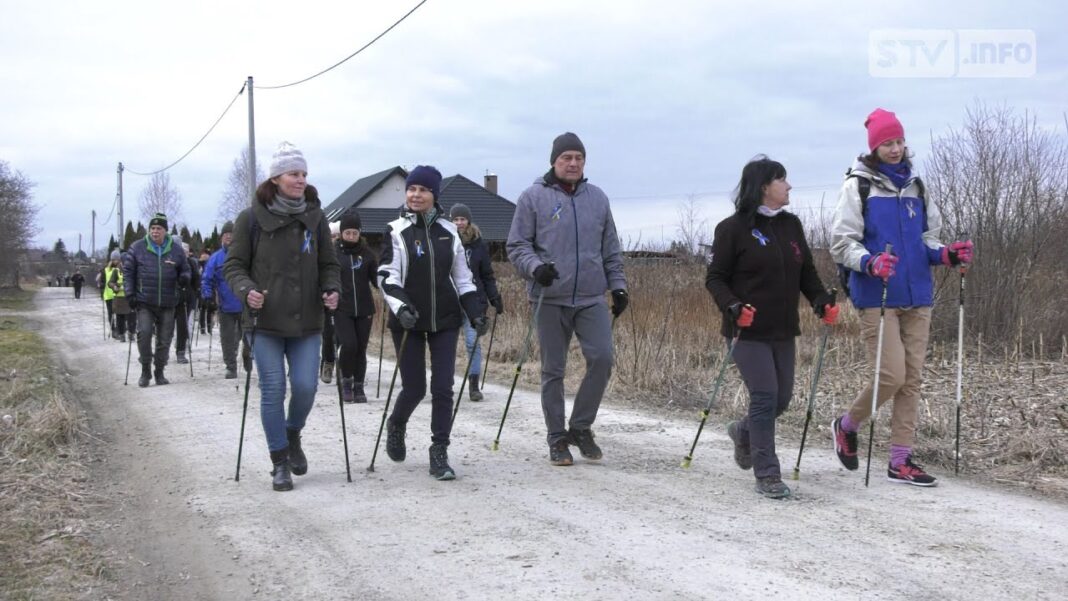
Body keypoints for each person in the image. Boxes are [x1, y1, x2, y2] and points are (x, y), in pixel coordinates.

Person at [830, 108, 974, 487]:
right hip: (876, 295)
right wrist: (870, 261)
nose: (895, 149)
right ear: (874, 147)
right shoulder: (858, 186)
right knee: (891, 375)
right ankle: (847, 425)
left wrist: (947, 254)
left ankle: (900, 460)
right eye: (886, 143)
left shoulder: (917, 187)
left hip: (917, 294)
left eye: (898, 141)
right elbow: (841, 244)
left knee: (911, 380)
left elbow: (927, 239)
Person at [705, 156, 838, 499]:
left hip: (782, 328)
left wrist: (821, 300)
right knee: (764, 396)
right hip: (746, 330)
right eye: (783, 179)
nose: (789, 185)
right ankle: (767, 473)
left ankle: (743, 431)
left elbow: (806, 272)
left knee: (781, 399)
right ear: (765, 186)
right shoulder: (732, 228)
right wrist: (733, 307)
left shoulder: (791, 225)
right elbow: (715, 278)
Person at [223, 141, 340, 492]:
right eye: (294, 173)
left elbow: (329, 265)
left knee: (305, 386)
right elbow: (234, 265)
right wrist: (246, 290)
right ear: (276, 178)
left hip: (307, 322)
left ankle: (292, 435)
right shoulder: (251, 219)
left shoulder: (316, 218)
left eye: (304, 174)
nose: (301, 179)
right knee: (273, 388)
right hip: (265, 321)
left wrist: (332, 289)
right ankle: (279, 462)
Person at [506, 132, 628, 466]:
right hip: (549, 296)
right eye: (566, 158)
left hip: (590, 297)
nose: (573, 163)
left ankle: (581, 426)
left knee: (602, 359)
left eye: (579, 158)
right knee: (554, 370)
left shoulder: (598, 199)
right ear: (554, 162)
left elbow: (611, 249)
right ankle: (557, 437)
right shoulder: (532, 197)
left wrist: (618, 286)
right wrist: (535, 268)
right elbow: (517, 246)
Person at [379, 165, 488, 481]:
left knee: (443, 388)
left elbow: (464, 280)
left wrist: (475, 311)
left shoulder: (449, 232)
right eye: (411, 189)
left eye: (422, 190)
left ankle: (439, 450)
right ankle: (396, 424)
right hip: (408, 321)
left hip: (445, 320)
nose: (415, 194)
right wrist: (401, 308)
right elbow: (387, 276)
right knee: (415, 388)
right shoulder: (395, 230)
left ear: (434, 195)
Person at [123, 213, 191, 387]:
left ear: (165, 231)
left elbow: (185, 269)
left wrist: (184, 278)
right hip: (145, 300)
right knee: (144, 334)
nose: (155, 232)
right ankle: (145, 370)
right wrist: (130, 294)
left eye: (159, 228)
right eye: (152, 228)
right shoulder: (137, 247)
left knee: (165, 339)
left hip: (168, 301)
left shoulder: (176, 250)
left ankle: (159, 370)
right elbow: (128, 273)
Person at [450, 203, 504, 401]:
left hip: (475, 302)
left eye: (462, 219)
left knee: (473, 342)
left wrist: (494, 297)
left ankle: (473, 384)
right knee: (448, 343)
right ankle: (445, 382)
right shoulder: (445, 241)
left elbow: (487, 275)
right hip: (451, 301)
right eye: (455, 219)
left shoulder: (479, 245)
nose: (459, 223)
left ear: (468, 221)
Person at [334, 208, 379, 403]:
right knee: (349, 345)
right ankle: (346, 382)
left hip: (364, 307)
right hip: (342, 308)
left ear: (360, 233)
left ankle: (359, 386)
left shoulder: (367, 254)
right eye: (347, 233)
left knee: (360, 347)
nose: (351, 236)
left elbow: (376, 280)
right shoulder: (334, 253)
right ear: (342, 233)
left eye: (355, 233)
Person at [201, 221, 243, 379]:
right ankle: (231, 366)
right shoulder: (215, 258)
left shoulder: (244, 255)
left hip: (245, 304)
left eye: (231, 235)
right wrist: (208, 296)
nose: (229, 237)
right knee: (227, 337)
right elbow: (207, 279)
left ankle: (245, 358)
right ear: (221, 238)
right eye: (226, 235)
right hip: (225, 305)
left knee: (242, 336)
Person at [320, 220, 342, 384]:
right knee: (328, 336)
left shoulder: (346, 253)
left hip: (346, 301)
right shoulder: (324, 252)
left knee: (341, 338)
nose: (335, 238)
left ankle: (343, 367)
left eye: (337, 235)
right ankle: (327, 364)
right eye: (332, 236)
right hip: (327, 301)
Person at [173, 241, 201, 365]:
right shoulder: (168, 261)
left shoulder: (191, 263)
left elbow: (196, 280)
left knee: (183, 326)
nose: (183, 254)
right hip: (169, 298)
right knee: (165, 326)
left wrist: (196, 294)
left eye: (185, 251)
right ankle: (161, 351)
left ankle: (181, 351)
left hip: (186, 298)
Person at [197, 249, 213, 335]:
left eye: (206, 255)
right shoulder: (198, 264)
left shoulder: (211, 264)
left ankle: (209, 327)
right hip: (200, 289)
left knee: (210, 309)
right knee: (202, 309)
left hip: (210, 288)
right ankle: (202, 327)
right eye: (203, 254)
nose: (204, 256)